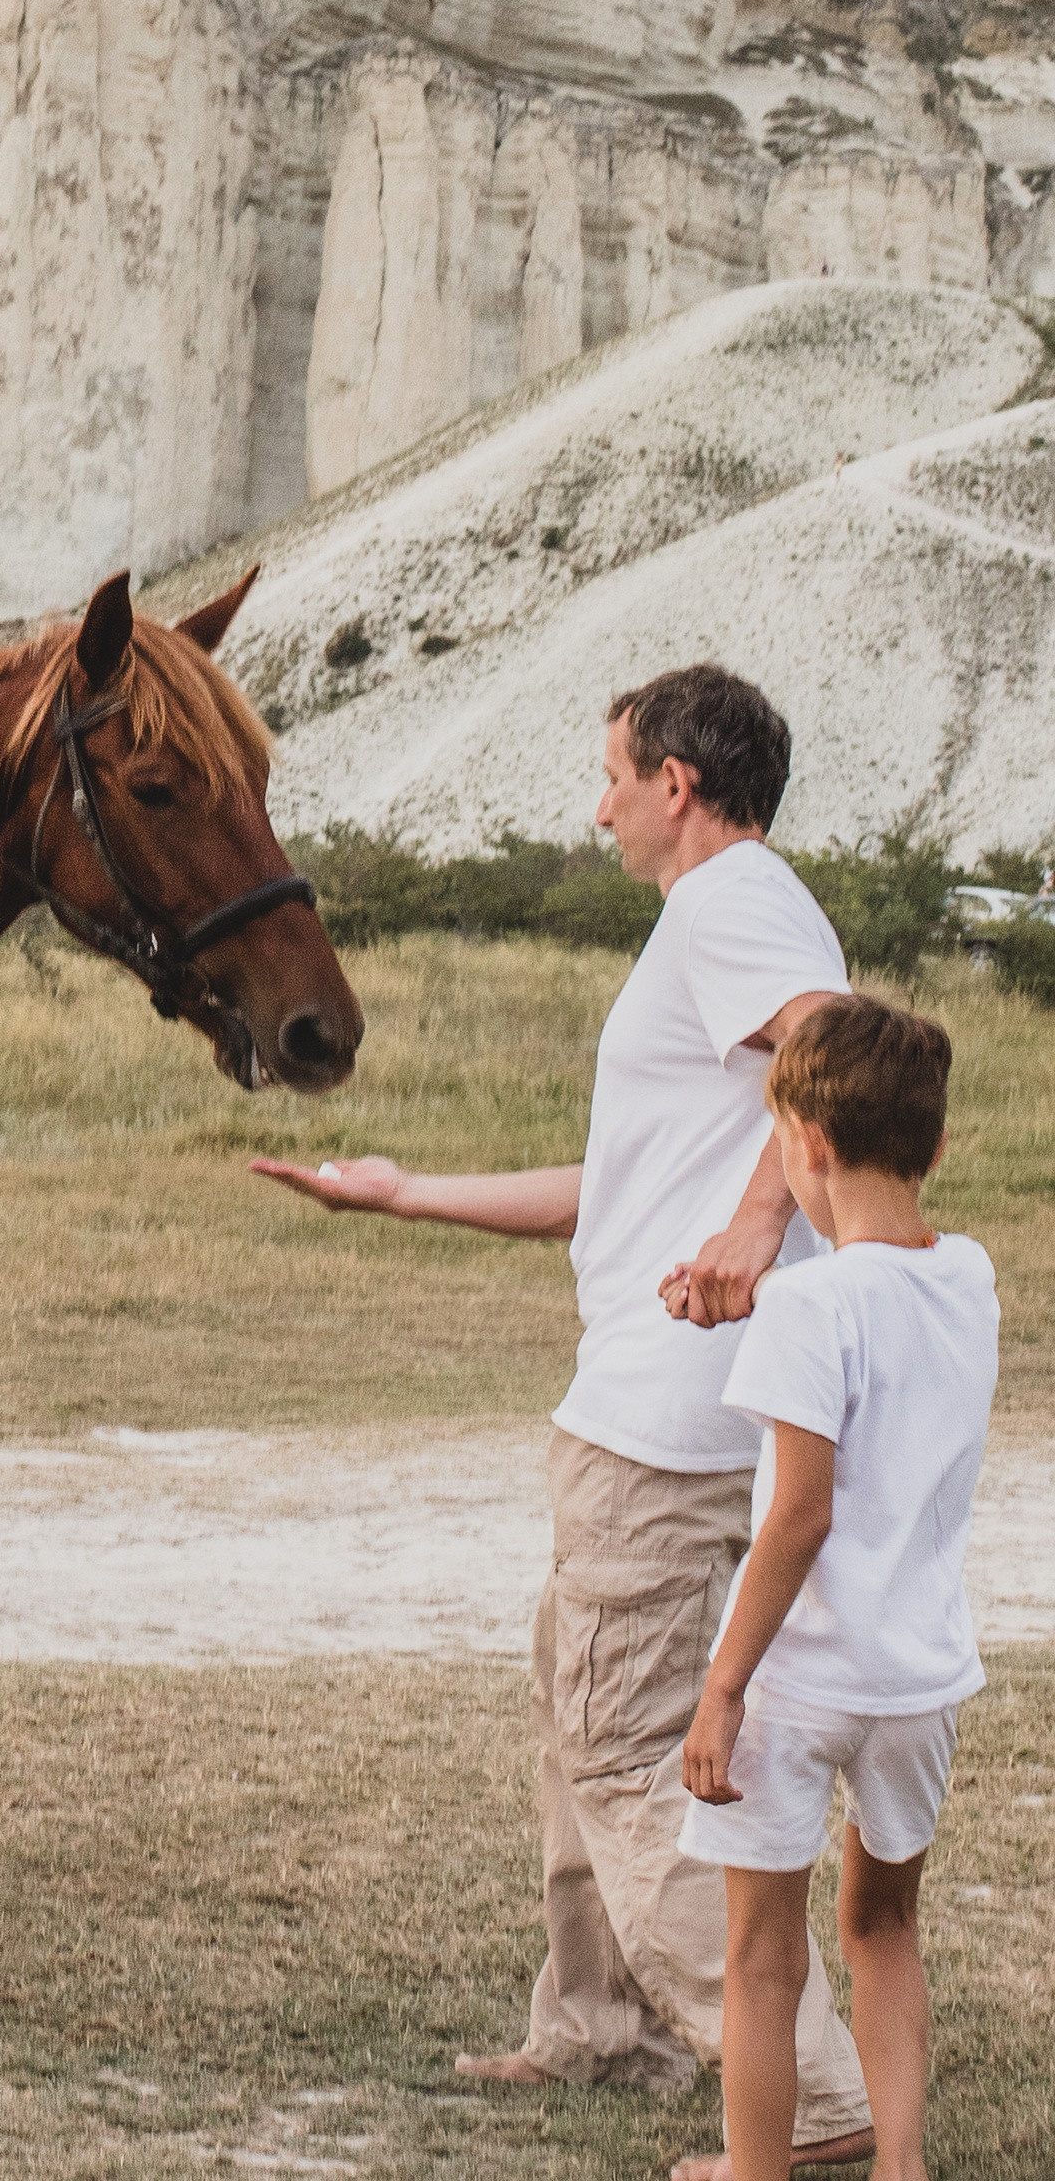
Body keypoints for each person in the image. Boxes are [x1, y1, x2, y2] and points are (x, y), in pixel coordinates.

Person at [254, 664, 876, 2179]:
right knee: (579, 1707)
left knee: (620, 1746)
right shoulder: (728, 916)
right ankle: (600, 2020)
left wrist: (748, 1231)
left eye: (612, 774)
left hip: (662, 1425)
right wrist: (408, 1197)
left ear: (677, 784)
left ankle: (805, 2091)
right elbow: (621, 1197)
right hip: (670, 1407)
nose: (597, 805)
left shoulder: (732, 902)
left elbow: (838, 1053)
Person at [680, 997, 997, 2181]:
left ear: (801, 1142)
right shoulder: (968, 1277)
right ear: (935, 1144)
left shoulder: (807, 1308)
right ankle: (899, 2168)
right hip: (917, 1680)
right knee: (883, 1930)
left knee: (764, 1958)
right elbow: (882, 1311)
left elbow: (797, 1516)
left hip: (799, 1682)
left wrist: (720, 1689)